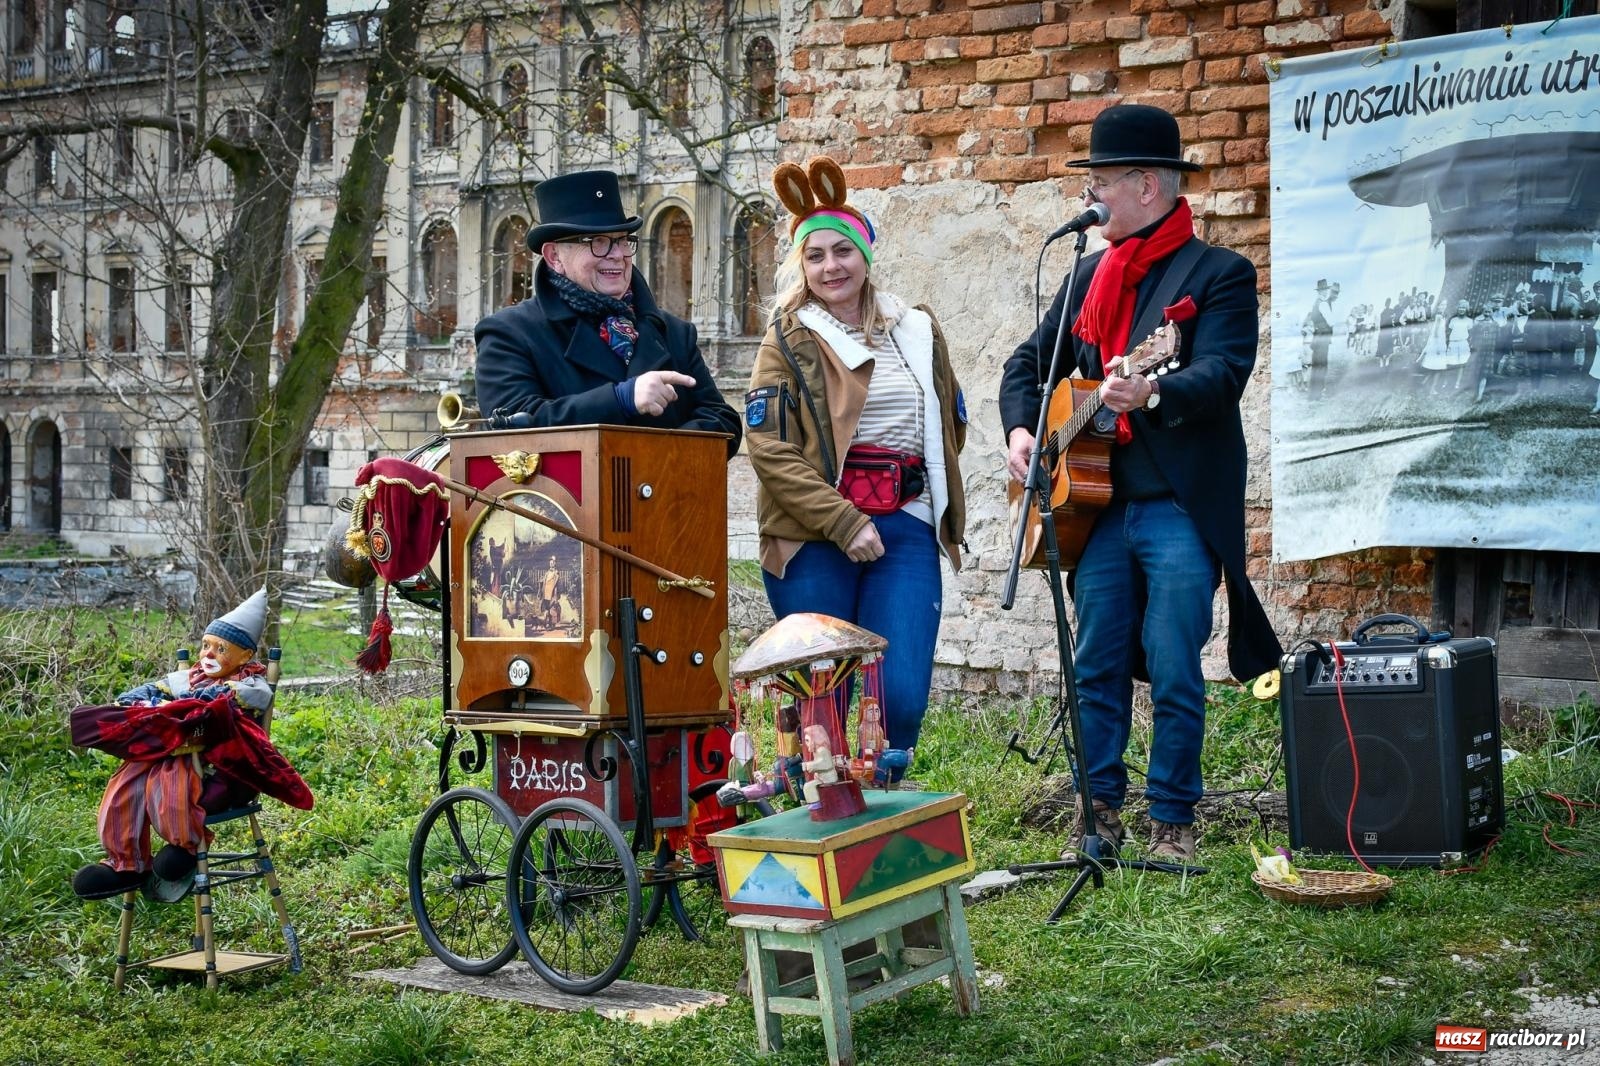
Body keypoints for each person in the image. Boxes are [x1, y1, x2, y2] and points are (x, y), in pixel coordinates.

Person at [998, 104, 1281, 863]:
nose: (1090, 198)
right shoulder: (1088, 275)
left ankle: (1172, 822)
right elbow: (1028, 365)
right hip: (1094, 509)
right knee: (1096, 663)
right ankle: (1097, 815)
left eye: (1101, 183)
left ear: (1147, 185)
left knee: (1175, 663)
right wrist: (1023, 430)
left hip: (1175, 509)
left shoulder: (1219, 274)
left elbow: (1222, 374)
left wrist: (1152, 390)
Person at [745, 155, 967, 768]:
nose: (830, 266)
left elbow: (949, 419)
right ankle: (818, 811)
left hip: (906, 524)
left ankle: (885, 811)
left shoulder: (915, 329)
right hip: (816, 532)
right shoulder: (787, 338)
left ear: (865, 255)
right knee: (823, 705)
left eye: (842, 251)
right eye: (814, 256)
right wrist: (844, 520)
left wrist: (927, 497)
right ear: (801, 266)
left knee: (898, 700)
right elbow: (769, 449)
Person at [474, 169, 741, 455]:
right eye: (597, 242)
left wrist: (661, 457)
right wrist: (620, 399)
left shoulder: (673, 332)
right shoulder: (510, 333)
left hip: (670, 483)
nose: (617, 254)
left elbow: (722, 420)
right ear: (554, 257)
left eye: (622, 240)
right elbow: (511, 429)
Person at [71, 589, 312, 899]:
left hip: (222, 772)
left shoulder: (249, 685)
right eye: (206, 645)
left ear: (244, 656)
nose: (208, 654)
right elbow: (151, 690)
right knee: (127, 779)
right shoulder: (190, 678)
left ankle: (185, 847)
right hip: (174, 752)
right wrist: (135, 702)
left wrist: (181, 705)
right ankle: (126, 862)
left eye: (220, 649)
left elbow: (223, 703)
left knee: (170, 778)